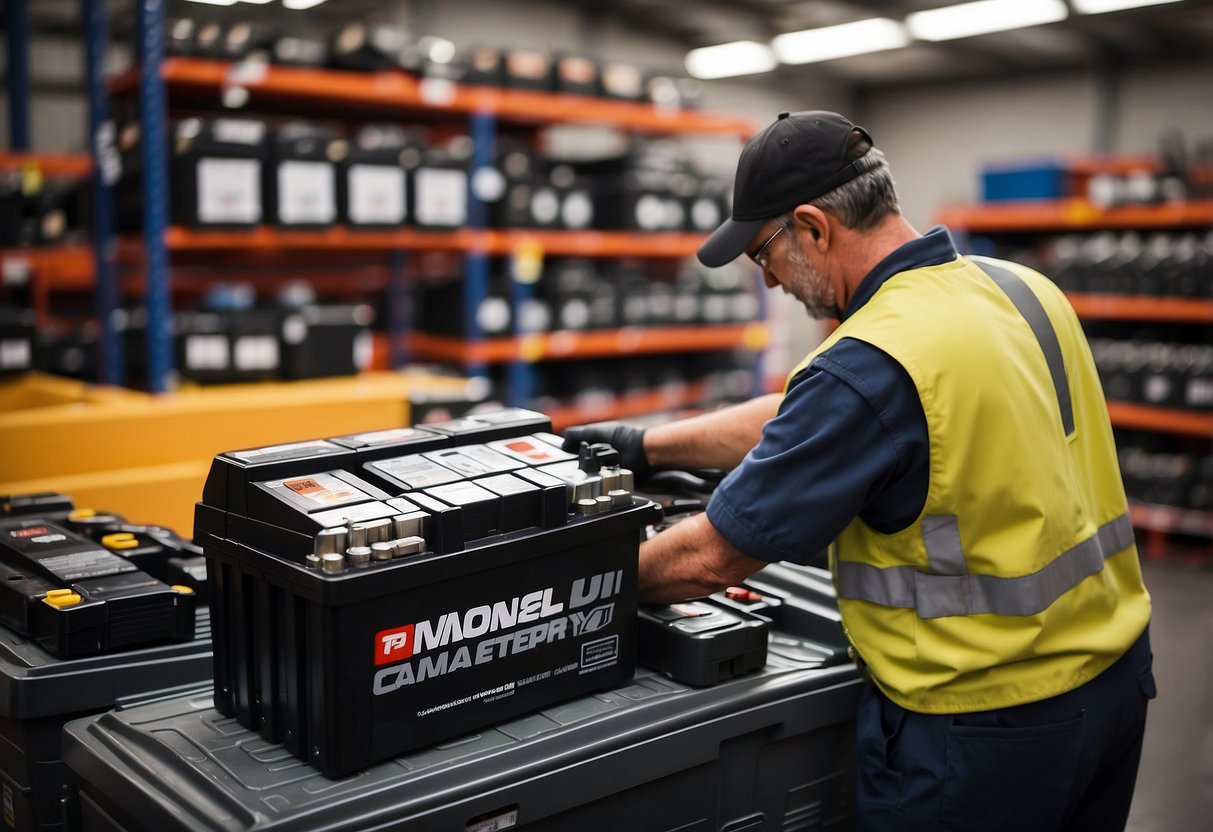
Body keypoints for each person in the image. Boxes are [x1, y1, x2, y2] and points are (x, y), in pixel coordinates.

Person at [563, 111, 1154, 831]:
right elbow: (807, 413)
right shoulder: (1017, 291)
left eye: (763, 254)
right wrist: (646, 446)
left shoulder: (871, 359)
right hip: (1115, 684)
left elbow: (710, 559)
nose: (770, 280)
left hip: (983, 727)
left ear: (812, 227)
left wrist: (575, 582)